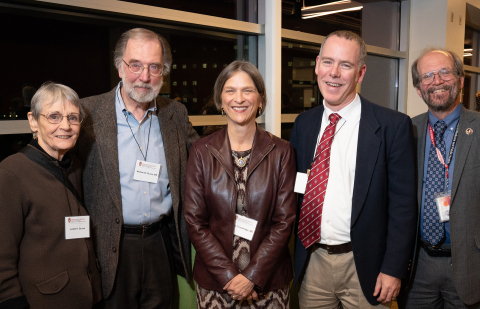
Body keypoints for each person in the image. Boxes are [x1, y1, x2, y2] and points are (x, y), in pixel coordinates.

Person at [291, 30, 417, 308]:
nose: (333, 73)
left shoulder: (392, 126)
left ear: (360, 74)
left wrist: (394, 268)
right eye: (327, 62)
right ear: (316, 65)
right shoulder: (303, 124)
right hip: (313, 262)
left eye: (345, 65)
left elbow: (403, 207)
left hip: (366, 267)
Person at [76, 28, 199, 308]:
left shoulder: (174, 114)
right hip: (111, 245)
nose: (145, 77)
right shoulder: (88, 114)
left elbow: (204, 158)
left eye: (154, 67)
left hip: (161, 242)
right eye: (136, 65)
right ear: (120, 67)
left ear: (163, 72)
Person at [184, 60, 296, 308]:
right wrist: (230, 277)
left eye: (248, 90)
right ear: (220, 100)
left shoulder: (282, 152)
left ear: (260, 99)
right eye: (230, 90)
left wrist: (251, 277)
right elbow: (194, 221)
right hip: (216, 283)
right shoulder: (201, 151)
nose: (239, 98)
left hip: (268, 283)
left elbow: (284, 221)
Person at [0, 82, 102, 309]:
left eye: (73, 118)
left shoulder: (74, 166)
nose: (66, 126)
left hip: (86, 297)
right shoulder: (10, 174)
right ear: (33, 121)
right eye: (54, 116)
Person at [398, 48, 480, 308]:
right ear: (419, 89)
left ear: (461, 80)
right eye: (428, 76)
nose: (437, 80)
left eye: (445, 72)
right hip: (418, 265)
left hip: (471, 263)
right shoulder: (407, 130)